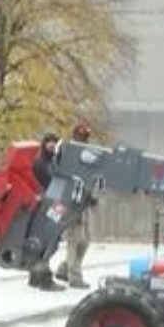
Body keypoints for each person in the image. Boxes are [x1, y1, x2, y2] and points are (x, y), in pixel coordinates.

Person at [54, 121, 95, 289]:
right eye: (80, 135)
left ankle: (64, 268)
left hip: (83, 201)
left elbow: (88, 176)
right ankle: (74, 275)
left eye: (85, 136)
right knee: (75, 240)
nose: (83, 138)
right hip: (71, 201)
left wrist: (90, 196)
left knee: (85, 240)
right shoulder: (67, 152)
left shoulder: (87, 154)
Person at [28, 131, 61, 290]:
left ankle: (36, 275)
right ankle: (42, 277)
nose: (52, 145)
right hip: (46, 205)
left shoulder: (54, 162)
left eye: (55, 142)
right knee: (48, 239)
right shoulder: (40, 163)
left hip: (54, 203)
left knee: (51, 238)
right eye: (49, 141)